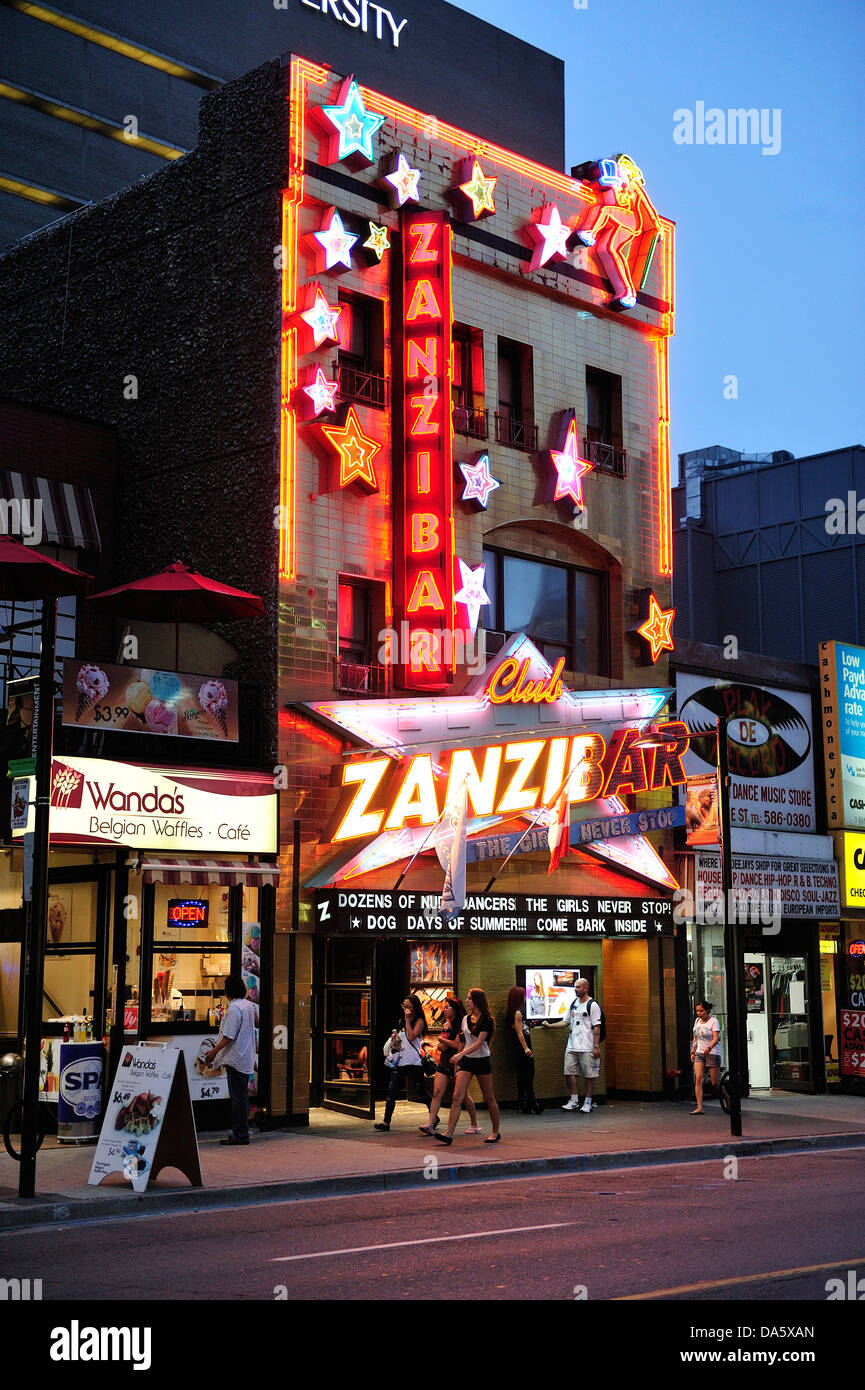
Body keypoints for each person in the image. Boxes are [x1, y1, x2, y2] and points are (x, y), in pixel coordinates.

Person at [434, 987, 500, 1145]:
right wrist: (459, 1055)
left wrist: (460, 1055)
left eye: (470, 998)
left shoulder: (487, 1020)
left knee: (488, 1097)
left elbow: (479, 1043)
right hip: (467, 1061)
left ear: (477, 1001)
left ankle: (495, 1131)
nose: (467, 1000)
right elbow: (463, 1041)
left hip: (482, 1060)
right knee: (457, 1096)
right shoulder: (465, 1020)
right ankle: (449, 1133)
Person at [204, 975, 257, 1145]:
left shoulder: (234, 1009)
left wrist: (213, 1051)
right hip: (245, 1056)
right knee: (242, 1096)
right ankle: (242, 1132)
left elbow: (228, 1036)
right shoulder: (248, 1005)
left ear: (228, 992)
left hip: (236, 1058)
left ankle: (240, 1135)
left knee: (237, 1098)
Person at [418, 996, 480, 1136]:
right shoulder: (446, 1024)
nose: (444, 1010)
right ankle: (430, 1123)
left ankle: (474, 1123)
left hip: (458, 1062)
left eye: (447, 1007)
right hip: (445, 1061)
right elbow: (444, 1044)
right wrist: (441, 1044)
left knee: (462, 1095)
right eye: (443, 1007)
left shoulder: (462, 1024)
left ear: (455, 1009)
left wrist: (441, 1041)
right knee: (437, 1092)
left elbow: (458, 1044)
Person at [543, 976, 601, 1113]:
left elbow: (597, 1027)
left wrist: (596, 1046)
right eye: (575, 987)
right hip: (572, 1045)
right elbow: (565, 1022)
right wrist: (549, 1026)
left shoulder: (592, 1005)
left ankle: (587, 1102)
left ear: (585, 988)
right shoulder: (574, 1003)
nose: (575, 989)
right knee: (569, 1072)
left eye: (578, 987)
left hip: (587, 1046)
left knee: (589, 1074)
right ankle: (574, 1100)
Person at [374, 994, 431, 1132]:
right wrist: (395, 1037)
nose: (406, 1009)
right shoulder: (401, 1021)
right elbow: (403, 1039)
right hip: (400, 1063)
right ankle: (386, 1122)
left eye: (408, 1007)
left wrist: (407, 1020)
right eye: (404, 1006)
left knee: (421, 1092)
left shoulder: (419, 1021)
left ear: (414, 1008)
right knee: (391, 1092)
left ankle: (434, 1117)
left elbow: (412, 1036)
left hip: (414, 1063)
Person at [506, 985, 543, 1114]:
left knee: (522, 1076)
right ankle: (531, 1101)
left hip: (518, 1047)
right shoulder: (517, 1013)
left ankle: (524, 1102)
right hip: (522, 1046)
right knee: (529, 1073)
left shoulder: (513, 1012)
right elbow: (519, 1032)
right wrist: (526, 1048)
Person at [691, 1000, 721, 1114]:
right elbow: (695, 1038)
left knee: (714, 1083)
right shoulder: (697, 1021)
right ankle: (699, 1107)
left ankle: (727, 1098)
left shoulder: (713, 1022)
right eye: (697, 1011)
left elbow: (715, 1038)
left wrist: (709, 1048)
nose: (699, 1013)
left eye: (701, 1011)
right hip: (699, 1052)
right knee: (698, 1078)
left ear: (707, 1010)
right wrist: (693, 1051)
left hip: (712, 1053)